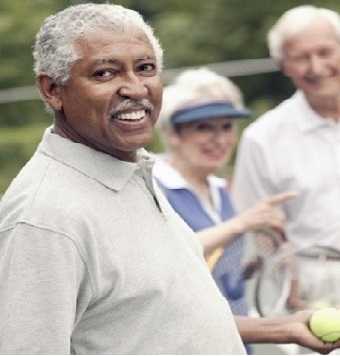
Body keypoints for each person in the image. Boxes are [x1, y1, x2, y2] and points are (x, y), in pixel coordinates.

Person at [0, 3, 338, 354]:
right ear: (52, 90)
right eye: (104, 73)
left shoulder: (132, 171)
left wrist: (279, 327)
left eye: (145, 68)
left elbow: (158, 320)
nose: (135, 88)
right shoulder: (43, 219)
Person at [153, 67, 293, 321]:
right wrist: (242, 224)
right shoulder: (153, 187)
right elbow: (165, 259)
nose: (219, 139)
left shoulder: (220, 190)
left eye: (227, 127)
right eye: (204, 127)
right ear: (173, 133)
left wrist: (263, 261)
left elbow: (220, 271)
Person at [233, 5, 340, 251]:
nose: (316, 67)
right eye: (302, 57)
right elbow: (257, 236)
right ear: (284, 66)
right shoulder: (262, 138)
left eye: (325, 52)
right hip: (309, 279)